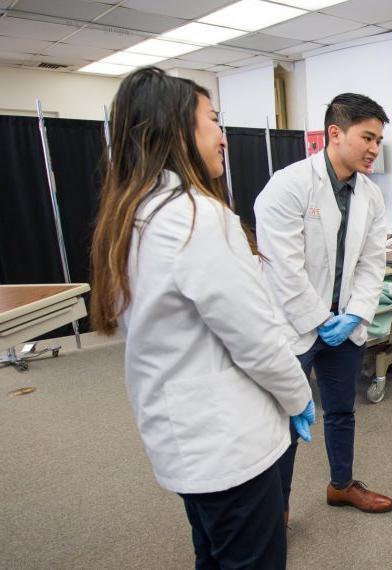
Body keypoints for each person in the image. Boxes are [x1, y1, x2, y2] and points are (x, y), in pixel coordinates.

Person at [89, 67, 315, 568]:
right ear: (175, 131)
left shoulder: (133, 213)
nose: (222, 135)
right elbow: (255, 339)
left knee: (213, 554)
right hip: (228, 443)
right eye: (212, 119)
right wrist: (298, 397)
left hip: (185, 436)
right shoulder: (196, 216)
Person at [254, 93, 392, 517]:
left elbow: (373, 261)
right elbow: (284, 268)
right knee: (284, 424)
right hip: (294, 326)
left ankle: (341, 485)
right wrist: (320, 319)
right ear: (334, 133)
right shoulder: (289, 184)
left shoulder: (370, 194)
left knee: (341, 411)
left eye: (378, 140)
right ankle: (275, 510)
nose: (374, 148)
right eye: (367, 137)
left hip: (344, 325)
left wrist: (355, 313)